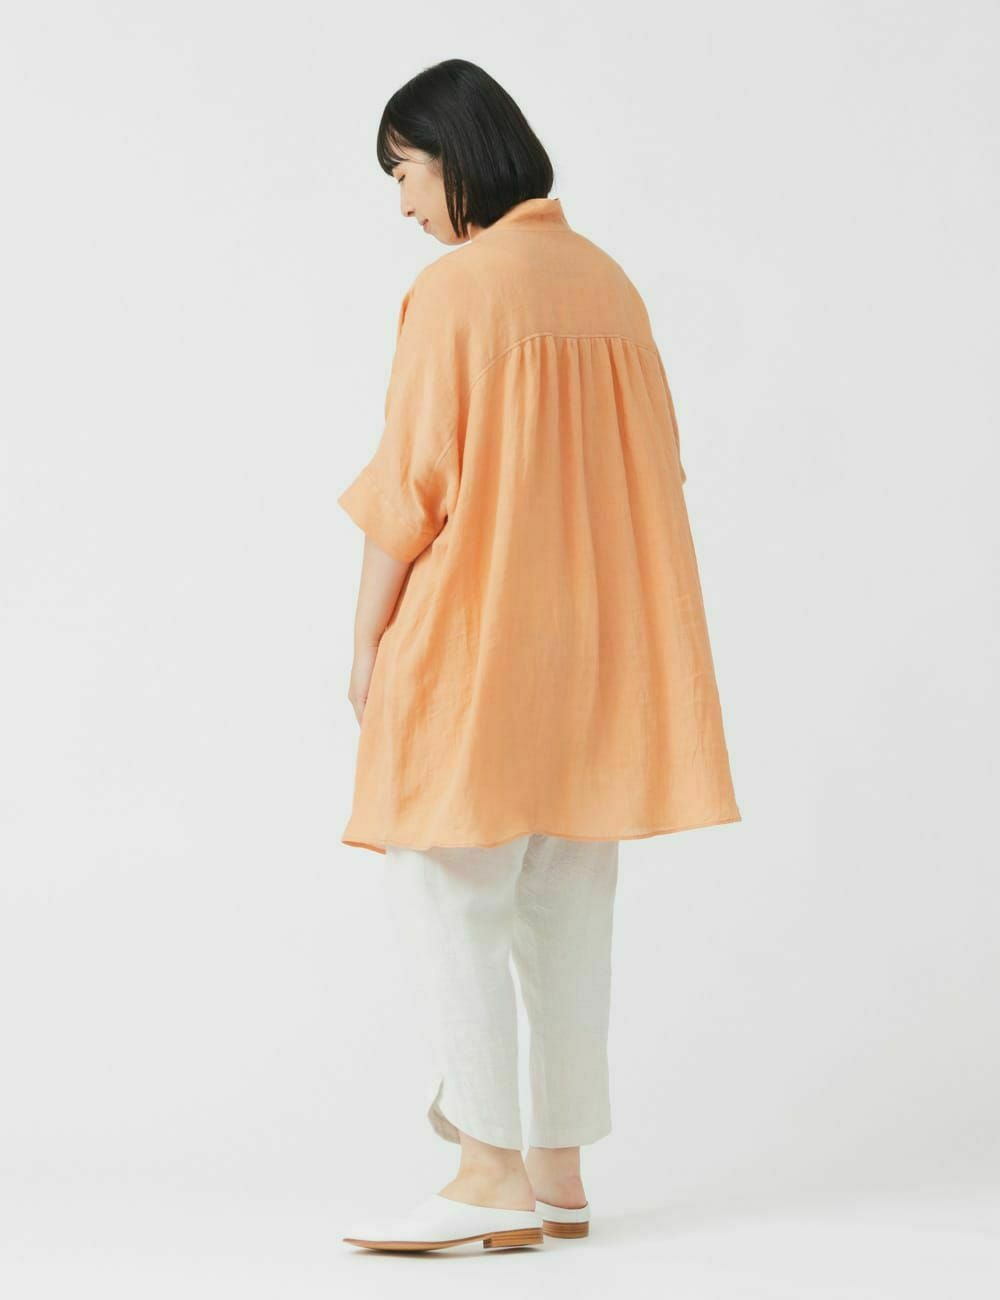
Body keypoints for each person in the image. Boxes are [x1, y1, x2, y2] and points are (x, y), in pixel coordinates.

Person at [338, 59, 741, 1254]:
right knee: (566, 903)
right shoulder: (608, 284)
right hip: (598, 648)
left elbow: (411, 486)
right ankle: (557, 1170)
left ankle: (485, 1170)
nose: (402, 203)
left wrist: (364, 639)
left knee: (452, 892)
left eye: (405, 171)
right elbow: (657, 466)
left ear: (455, 154)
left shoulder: (457, 290)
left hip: (476, 638)